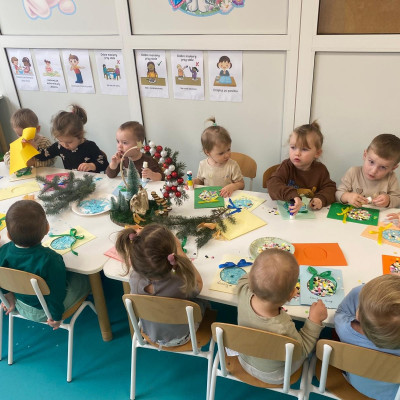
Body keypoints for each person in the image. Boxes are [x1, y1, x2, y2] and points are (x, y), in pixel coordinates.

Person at [236, 249, 327, 384]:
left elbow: (243, 279)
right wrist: (315, 320)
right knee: (307, 350)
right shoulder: (283, 328)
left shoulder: (243, 291)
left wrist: (262, 274)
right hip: (275, 375)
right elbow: (302, 351)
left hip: (243, 360)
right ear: (291, 295)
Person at [0, 200, 90, 330]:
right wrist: (57, 317)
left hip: (19, 304)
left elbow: (2, 279)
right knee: (84, 279)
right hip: (46, 313)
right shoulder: (50, 259)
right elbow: (56, 294)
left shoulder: (3, 251)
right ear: (47, 228)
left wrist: (8, 298)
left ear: (8, 235)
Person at [115, 223, 206, 347]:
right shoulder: (179, 283)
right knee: (202, 303)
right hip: (181, 336)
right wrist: (179, 249)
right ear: (172, 256)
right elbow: (199, 283)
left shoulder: (134, 279)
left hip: (150, 333)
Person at [334, 275, 400, 400]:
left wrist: (366, 291)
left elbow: (342, 311)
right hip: (392, 395)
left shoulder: (345, 330)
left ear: (358, 316)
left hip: (353, 383)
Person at [267, 121, 336, 215]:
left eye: (304, 149)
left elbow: (330, 188)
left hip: (311, 215)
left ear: (317, 153)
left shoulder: (321, 170)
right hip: (286, 214)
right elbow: (272, 184)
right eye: (293, 147)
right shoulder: (286, 166)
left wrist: (321, 199)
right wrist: (292, 195)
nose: (297, 153)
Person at [33, 104, 108, 172]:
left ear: (80, 135)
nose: (65, 145)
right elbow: (43, 156)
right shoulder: (59, 146)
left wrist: (92, 165)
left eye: (69, 142)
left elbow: (105, 164)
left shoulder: (90, 146)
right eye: (60, 141)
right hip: (71, 180)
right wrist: (34, 147)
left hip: (91, 181)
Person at [336, 134, 400, 208]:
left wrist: (389, 200)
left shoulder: (391, 178)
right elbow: (338, 193)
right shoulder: (353, 172)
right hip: (352, 212)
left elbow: (397, 199)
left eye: (382, 167)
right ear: (365, 155)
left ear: (393, 168)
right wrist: (347, 196)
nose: (373, 171)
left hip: (379, 214)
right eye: (371, 162)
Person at [193, 117, 244, 198]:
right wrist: (194, 181)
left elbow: (241, 184)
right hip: (210, 200)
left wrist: (232, 187)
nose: (227, 155)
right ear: (207, 152)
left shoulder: (232, 165)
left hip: (227, 199)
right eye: (221, 153)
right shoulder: (203, 165)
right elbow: (201, 181)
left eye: (228, 149)